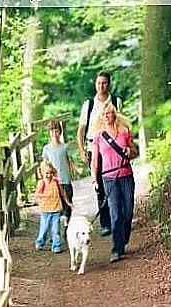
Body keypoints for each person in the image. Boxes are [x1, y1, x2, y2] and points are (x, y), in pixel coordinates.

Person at [90, 101, 138, 263]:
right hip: (108, 177)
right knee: (115, 212)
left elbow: (135, 152)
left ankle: (123, 239)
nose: (106, 116)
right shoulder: (98, 136)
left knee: (128, 211)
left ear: (114, 114)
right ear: (100, 117)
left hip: (125, 174)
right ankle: (117, 248)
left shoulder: (124, 132)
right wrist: (94, 179)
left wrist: (129, 151)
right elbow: (95, 160)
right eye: (103, 114)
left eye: (109, 113)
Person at [77, 71, 123, 236]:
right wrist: (82, 149)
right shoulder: (89, 105)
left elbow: (122, 124)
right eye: (98, 83)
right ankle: (105, 222)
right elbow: (81, 129)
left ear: (108, 84)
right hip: (94, 148)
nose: (101, 86)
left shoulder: (116, 102)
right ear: (95, 85)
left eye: (104, 83)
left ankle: (117, 218)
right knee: (100, 186)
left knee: (117, 182)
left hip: (114, 149)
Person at [42, 120, 77, 231]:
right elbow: (45, 163)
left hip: (65, 179)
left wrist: (75, 169)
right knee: (56, 206)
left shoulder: (65, 147)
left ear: (60, 132)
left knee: (68, 204)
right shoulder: (46, 149)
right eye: (52, 131)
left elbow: (70, 161)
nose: (54, 134)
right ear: (49, 133)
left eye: (56, 131)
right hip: (54, 181)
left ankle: (67, 226)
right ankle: (55, 230)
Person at [34, 160, 74, 253]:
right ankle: (40, 242)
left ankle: (56, 245)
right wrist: (45, 195)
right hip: (45, 210)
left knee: (56, 229)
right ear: (42, 173)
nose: (49, 175)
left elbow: (62, 193)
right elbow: (37, 194)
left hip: (56, 209)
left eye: (51, 173)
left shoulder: (56, 182)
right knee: (44, 229)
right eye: (47, 173)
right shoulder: (42, 183)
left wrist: (68, 202)